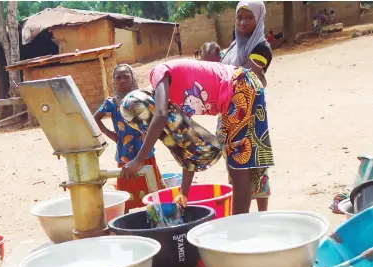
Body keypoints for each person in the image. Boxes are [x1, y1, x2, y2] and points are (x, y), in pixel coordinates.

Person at [119, 59, 274, 216]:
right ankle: (241, 221)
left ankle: (240, 224)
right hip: (231, 98)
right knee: (235, 163)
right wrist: (183, 193)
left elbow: (160, 116)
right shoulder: (171, 105)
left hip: (240, 85)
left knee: (239, 163)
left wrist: (138, 160)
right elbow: (189, 146)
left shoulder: (159, 73)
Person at [220, 0, 273, 211]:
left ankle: (262, 216)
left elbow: (241, 75)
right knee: (235, 166)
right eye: (239, 17)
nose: (243, 22)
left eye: (249, 17)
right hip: (228, 113)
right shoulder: (234, 47)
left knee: (256, 166)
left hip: (251, 114)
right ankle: (244, 218)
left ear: (259, 19)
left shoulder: (262, 47)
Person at [93, 64, 165, 211]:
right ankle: (126, 220)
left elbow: (156, 116)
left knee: (153, 193)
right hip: (124, 154)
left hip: (144, 151)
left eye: (126, 76)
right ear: (114, 81)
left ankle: (156, 218)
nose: (122, 80)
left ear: (133, 78)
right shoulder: (111, 103)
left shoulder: (142, 98)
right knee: (125, 195)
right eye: (118, 77)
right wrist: (113, 136)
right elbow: (95, 118)